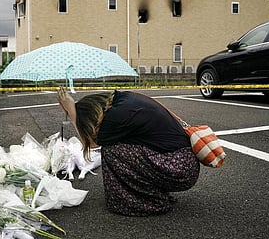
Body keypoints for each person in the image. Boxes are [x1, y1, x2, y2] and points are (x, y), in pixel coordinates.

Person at [57, 87, 199, 216]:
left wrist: (72, 112)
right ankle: (149, 193)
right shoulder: (123, 100)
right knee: (122, 148)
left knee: (112, 151)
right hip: (182, 163)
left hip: (180, 168)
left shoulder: (116, 116)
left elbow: (93, 143)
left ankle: (148, 203)